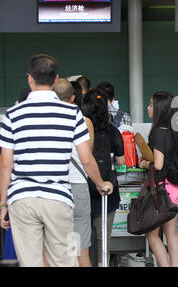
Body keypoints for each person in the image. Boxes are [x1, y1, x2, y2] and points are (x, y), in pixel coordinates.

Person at [0, 54, 113, 267]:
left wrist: (3, 204)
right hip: (58, 198)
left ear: (30, 79)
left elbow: (6, 165)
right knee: (63, 261)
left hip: (22, 199)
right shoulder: (72, 113)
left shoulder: (12, 115)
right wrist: (101, 184)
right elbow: (86, 159)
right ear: (55, 80)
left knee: (31, 263)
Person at [53, 78, 95, 267]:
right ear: (72, 98)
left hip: (54, 190)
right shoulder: (84, 121)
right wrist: (101, 182)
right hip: (78, 187)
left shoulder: (45, 119)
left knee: (55, 251)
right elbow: (87, 156)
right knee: (80, 251)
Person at [138, 91, 178, 267]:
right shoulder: (173, 130)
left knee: (151, 235)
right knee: (172, 234)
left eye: (150, 104)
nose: (148, 108)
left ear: (159, 109)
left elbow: (158, 164)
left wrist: (143, 163)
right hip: (173, 189)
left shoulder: (158, 132)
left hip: (160, 190)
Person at [82, 88, 125, 267]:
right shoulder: (113, 131)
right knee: (103, 243)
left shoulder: (80, 130)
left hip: (82, 190)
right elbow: (121, 162)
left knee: (81, 242)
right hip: (106, 193)